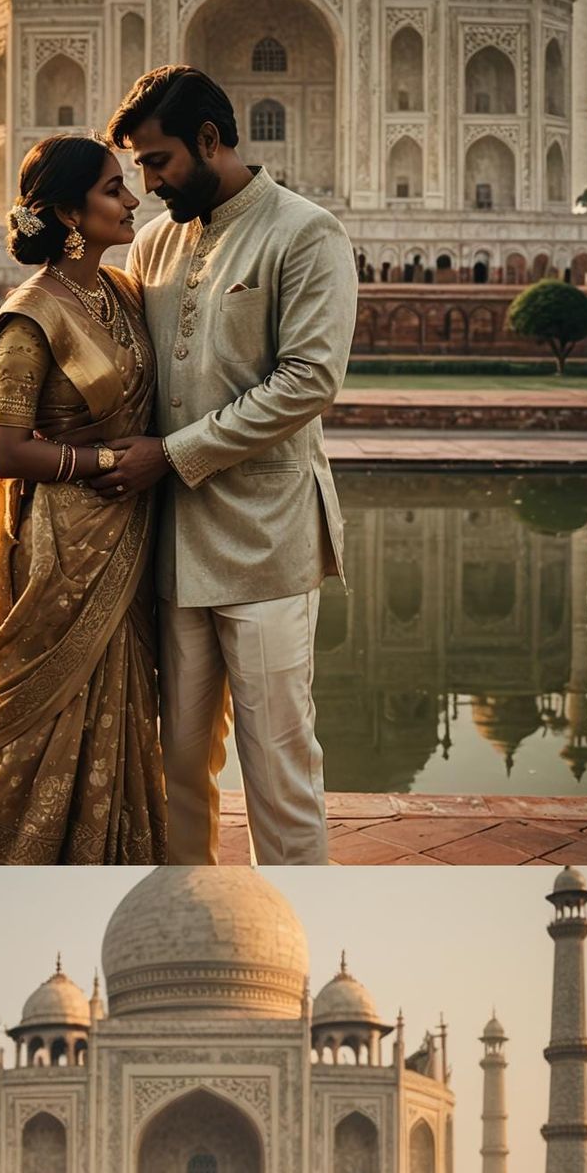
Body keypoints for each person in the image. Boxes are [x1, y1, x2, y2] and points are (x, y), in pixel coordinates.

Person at [107, 65, 358, 867]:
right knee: (179, 767)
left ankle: (293, 938)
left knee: (279, 770)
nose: (147, 184)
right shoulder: (153, 243)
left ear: (210, 141)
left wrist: (173, 454)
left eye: (157, 162)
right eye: (139, 167)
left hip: (265, 544)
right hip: (178, 550)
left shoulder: (303, 231)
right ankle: (193, 907)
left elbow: (309, 380)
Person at [0, 135, 165, 866]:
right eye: (113, 188)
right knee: (46, 720)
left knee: (119, 708)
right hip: (65, 548)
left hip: (125, 534)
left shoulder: (123, 292)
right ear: (71, 211)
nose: (133, 199)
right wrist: (104, 458)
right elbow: (8, 450)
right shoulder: (32, 313)